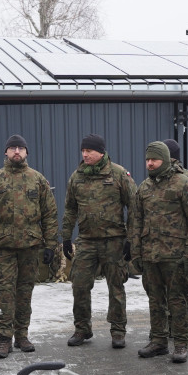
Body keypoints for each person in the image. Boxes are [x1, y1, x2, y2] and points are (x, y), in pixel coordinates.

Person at [0, 134, 59, 358]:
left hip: (30, 247)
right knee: (5, 293)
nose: (16, 152)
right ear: (6, 152)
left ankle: (22, 335)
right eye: (12, 148)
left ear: (26, 153)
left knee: (24, 293)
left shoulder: (38, 180)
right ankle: (5, 339)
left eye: (20, 149)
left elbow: (50, 214)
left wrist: (51, 245)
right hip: (3, 248)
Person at [130, 141, 188, 363]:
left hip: (176, 254)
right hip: (151, 254)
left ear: (166, 159)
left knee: (177, 299)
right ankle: (158, 341)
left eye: (154, 159)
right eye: (147, 159)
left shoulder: (185, 183)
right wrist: (136, 252)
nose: (150, 163)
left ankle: (181, 343)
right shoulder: (144, 187)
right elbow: (136, 221)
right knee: (155, 299)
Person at [61, 133, 138, 349]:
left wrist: (131, 239)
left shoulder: (118, 174)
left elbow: (134, 206)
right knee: (79, 285)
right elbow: (70, 209)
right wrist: (66, 237)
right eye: (83, 151)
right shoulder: (77, 177)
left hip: (114, 240)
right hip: (86, 240)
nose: (85, 154)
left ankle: (118, 331)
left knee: (116, 287)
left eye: (89, 151)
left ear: (101, 152)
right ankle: (82, 329)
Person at [164, 138, 188, 326]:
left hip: (182, 245)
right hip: (163, 246)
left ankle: (183, 324)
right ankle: (169, 324)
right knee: (167, 289)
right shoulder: (158, 177)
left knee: (183, 287)